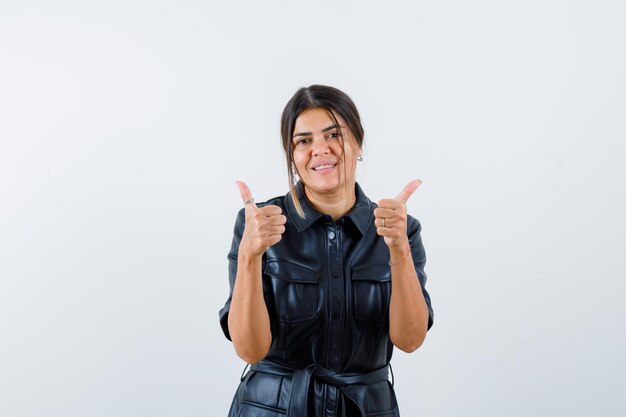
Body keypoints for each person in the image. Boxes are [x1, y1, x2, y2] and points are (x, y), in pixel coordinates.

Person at [219, 85, 434, 417]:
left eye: (334, 134)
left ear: (358, 143)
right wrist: (249, 256)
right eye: (304, 141)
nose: (320, 150)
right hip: (272, 408)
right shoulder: (258, 225)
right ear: (292, 156)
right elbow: (249, 349)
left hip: (365, 408)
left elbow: (410, 340)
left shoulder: (399, 229)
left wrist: (399, 252)